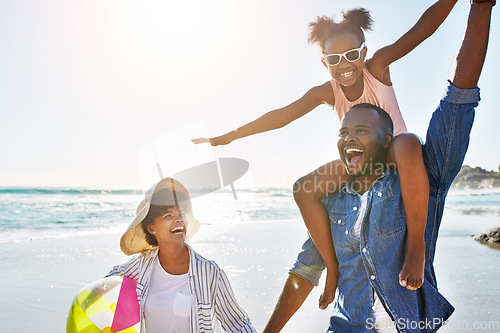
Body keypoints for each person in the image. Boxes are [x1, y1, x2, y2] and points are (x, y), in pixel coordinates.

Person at [193, 0, 459, 307]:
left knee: (410, 142)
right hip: (362, 163)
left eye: (351, 55)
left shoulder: (378, 67)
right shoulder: (327, 91)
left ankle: (416, 246)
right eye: (334, 58)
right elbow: (283, 115)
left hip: (396, 153)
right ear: (324, 62)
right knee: (304, 189)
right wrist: (232, 135)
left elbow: (422, 30)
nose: (344, 64)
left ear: (363, 52)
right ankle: (332, 270)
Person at [262, 1, 494, 332]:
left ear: (386, 141)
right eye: (343, 132)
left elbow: (460, 95)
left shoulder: (421, 183)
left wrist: (481, 7)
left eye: (361, 130)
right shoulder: (334, 202)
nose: (348, 138)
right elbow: (305, 270)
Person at [107, 177, 256, 333]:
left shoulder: (209, 272)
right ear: (151, 227)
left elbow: (237, 322)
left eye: (181, 213)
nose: (179, 219)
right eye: (168, 216)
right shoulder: (141, 265)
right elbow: (109, 281)